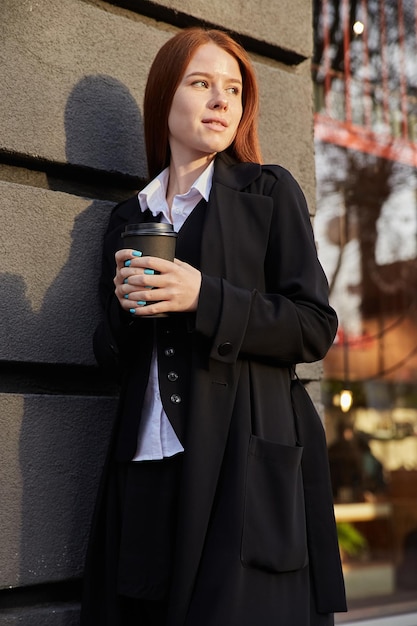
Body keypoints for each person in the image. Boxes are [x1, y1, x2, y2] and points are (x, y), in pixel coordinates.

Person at [81, 27, 346, 626]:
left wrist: (205, 296)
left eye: (233, 89)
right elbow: (111, 358)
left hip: (242, 461)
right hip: (146, 467)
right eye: (202, 83)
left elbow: (313, 327)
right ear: (163, 99)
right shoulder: (130, 217)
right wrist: (126, 314)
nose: (222, 101)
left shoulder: (267, 192)